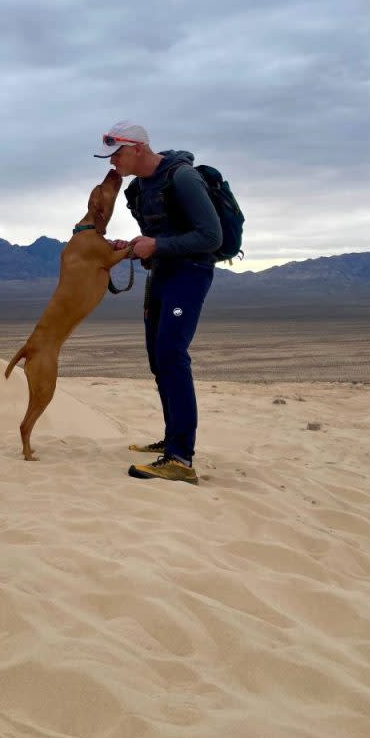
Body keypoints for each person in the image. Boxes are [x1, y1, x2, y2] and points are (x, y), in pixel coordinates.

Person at [94, 121, 222, 485]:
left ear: (137, 148)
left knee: (172, 355)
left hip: (190, 273)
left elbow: (211, 236)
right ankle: (172, 439)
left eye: (116, 154)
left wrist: (159, 246)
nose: (112, 163)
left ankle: (181, 458)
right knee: (158, 357)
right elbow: (157, 238)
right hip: (162, 274)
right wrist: (135, 248)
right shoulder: (139, 190)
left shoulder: (183, 178)